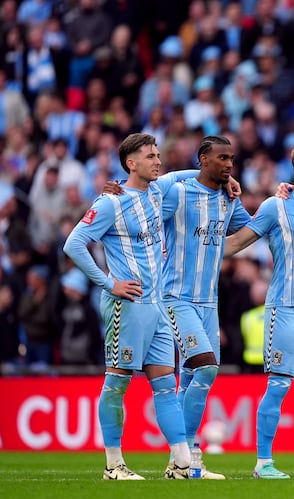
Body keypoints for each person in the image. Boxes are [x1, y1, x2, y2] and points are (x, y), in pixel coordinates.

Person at [63, 133, 191, 480]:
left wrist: (230, 180)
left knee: (166, 384)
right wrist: (109, 283)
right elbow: (74, 244)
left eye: (158, 154)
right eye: (150, 156)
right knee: (118, 382)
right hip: (127, 304)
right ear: (131, 163)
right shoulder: (110, 202)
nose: (157, 160)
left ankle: (182, 463)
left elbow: (187, 175)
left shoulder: (157, 191)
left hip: (157, 305)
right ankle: (113, 465)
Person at [223, 139, 294, 480]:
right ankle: (263, 463)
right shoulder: (276, 205)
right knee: (279, 386)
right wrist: (197, 245)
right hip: (286, 307)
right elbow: (237, 243)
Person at [159, 135, 251, 479]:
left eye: (232, 159)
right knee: (208, 368)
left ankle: (183, 461)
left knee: (195, 377)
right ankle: (186, 454)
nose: (229, 164)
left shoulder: (229, 200)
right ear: (203, 159)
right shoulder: (179, 194)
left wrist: (280, 205)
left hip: (208, 303)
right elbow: (146, 209)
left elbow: (251, 229)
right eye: (222, 158)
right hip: (175, 297)